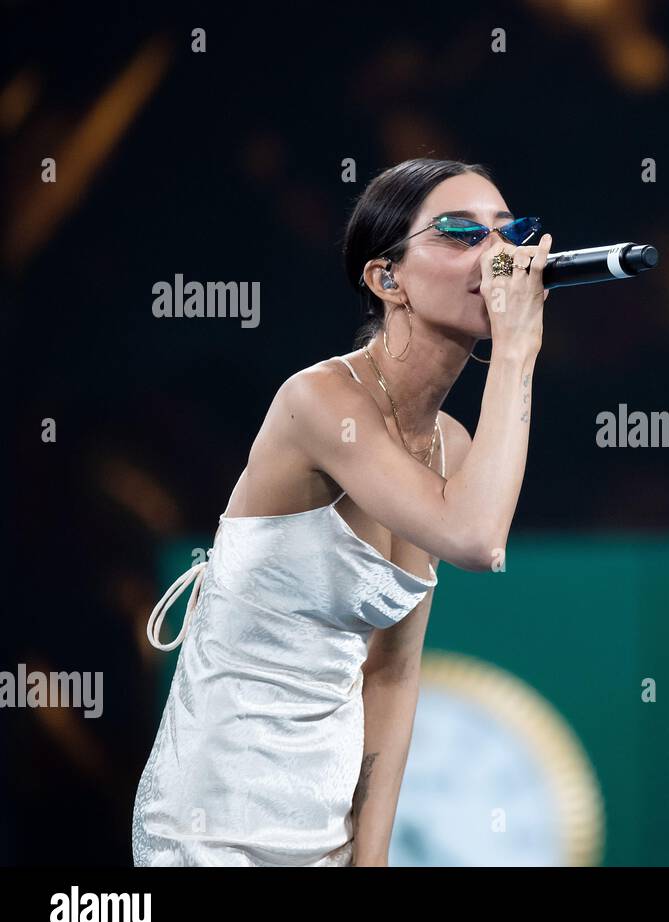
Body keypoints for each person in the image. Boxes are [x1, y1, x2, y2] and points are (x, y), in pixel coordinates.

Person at [132, 158, 551, 865]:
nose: (501, 256)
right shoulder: (320, 402)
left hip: (322, 825)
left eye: (512, 234)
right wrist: (516, 347)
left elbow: (393, 670)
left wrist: (370, 855)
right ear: (386, 279)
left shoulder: (450, 444)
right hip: (214, 818)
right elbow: (477, 540)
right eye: (461, 234)